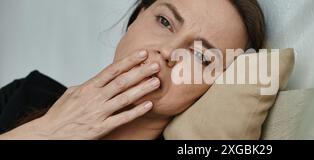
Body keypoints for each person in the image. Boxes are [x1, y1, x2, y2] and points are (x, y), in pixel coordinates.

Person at [0, 0, 266, 140]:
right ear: (137, 16)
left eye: (200, 55)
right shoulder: (28, 93)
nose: (168, 51)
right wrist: (45, 132)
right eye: (165, 21)